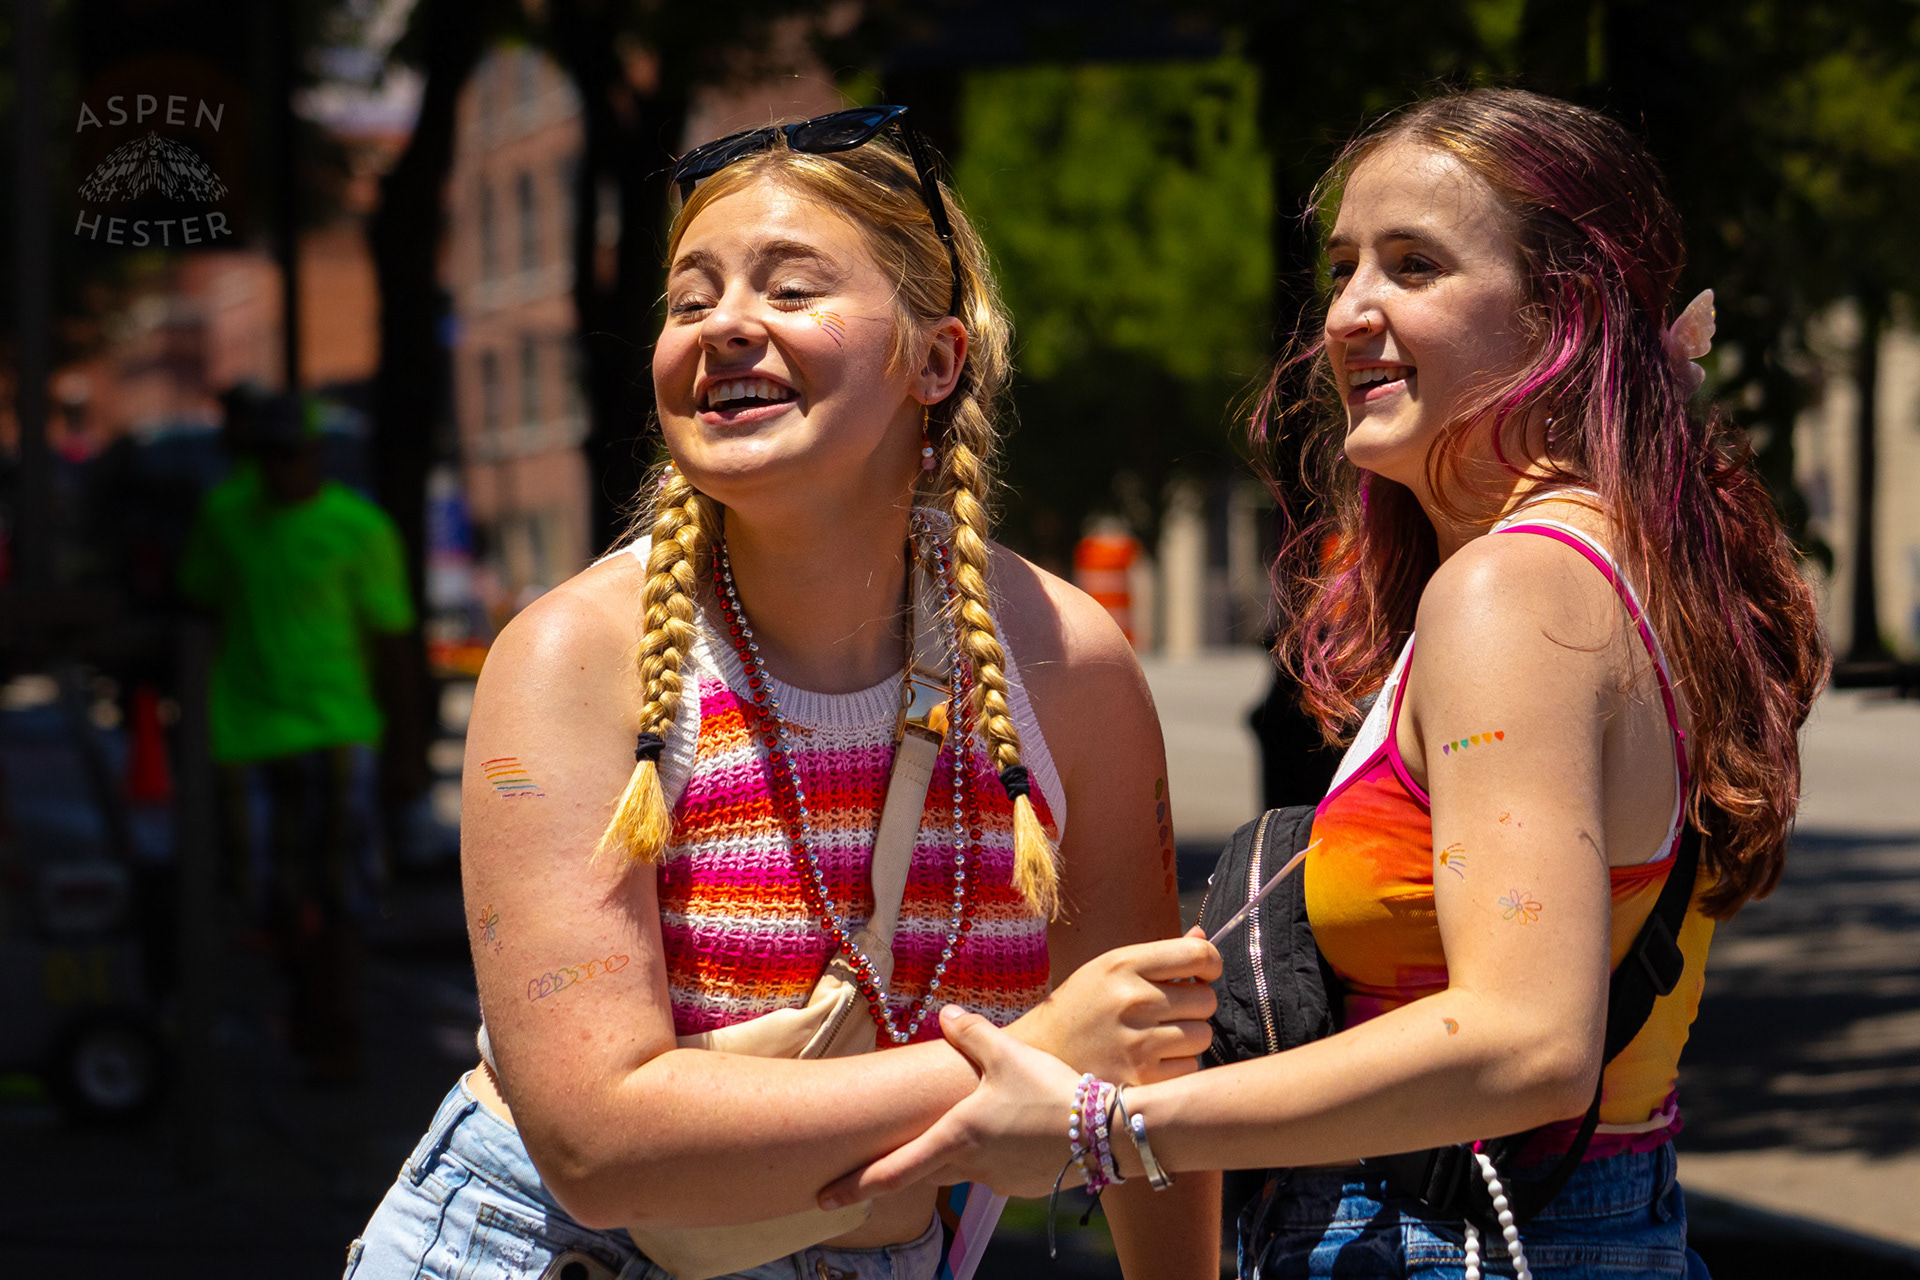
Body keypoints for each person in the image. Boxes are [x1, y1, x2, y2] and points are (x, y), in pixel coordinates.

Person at [826, 89, 1829, 1279]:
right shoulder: (1610, 558)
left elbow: (1527, 1043)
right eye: (1345, 266)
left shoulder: (1515, 590)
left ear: (1567, 312)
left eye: (1414, 265)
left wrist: (1104, 1129)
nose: (1351, 313)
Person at [347, 107, 1220, 1280]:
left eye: (792, 289)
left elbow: (1139, 1073)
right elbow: (597, 1143)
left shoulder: (1066, 659)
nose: (726, 329)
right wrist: (1014, 1068)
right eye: (689, 298)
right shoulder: (569, 655)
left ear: (935, 359)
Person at [179, 391, 419, 1083]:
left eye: (290, 455)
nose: (279, 471)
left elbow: (394, 645)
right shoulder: (227, 517)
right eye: (268, 457)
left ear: (315, 456)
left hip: (339, 730)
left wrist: (404, 748)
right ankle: (310, 1008)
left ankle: (332, 1025)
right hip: (250, 736)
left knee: (344, 890)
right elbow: (197, 604)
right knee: (268, 892)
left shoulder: (358, 528)